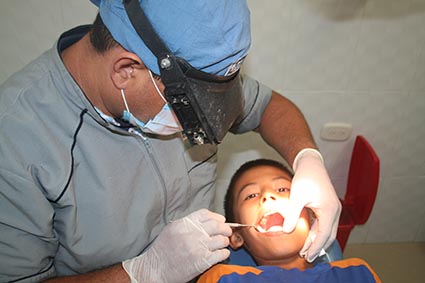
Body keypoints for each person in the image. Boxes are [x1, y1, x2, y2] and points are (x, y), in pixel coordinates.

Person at [0, 1, 341, 282]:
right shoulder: (17, 143)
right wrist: (141, 273)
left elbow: (267, 107)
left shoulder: (182, 72)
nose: (207, 119)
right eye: (191, 109)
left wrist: (307, 158)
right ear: (126, 71)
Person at [197, 159, 381, 283]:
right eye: (251, 195)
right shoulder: (222, 279)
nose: (268, 196)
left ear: (312, 218)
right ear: (237, 237)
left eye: (283, 189)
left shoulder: (358, 273)